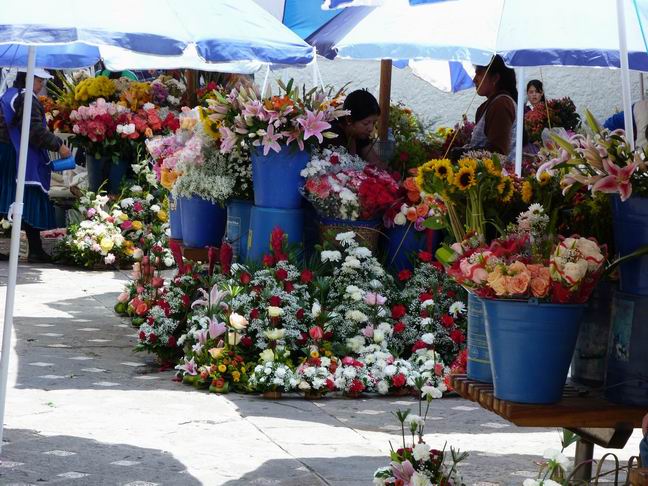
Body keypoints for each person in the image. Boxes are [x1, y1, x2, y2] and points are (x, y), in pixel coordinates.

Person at [0, 69, 71, 263]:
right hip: (17, 155)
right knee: (28, 196)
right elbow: (35, 130)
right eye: (40, 82)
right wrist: (59, 145)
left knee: (5, 197)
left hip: (5, 151)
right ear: (31, 79)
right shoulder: (26, 98)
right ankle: (36, 250)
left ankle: (35, 249)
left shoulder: (10, 93)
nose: (41, 87)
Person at [466, 55, 518, 159]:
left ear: (495, 78)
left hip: (498, 173)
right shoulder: (489, 105)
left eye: (479, 73)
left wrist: (464, 153)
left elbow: (498, 152)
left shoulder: (501, 104)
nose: (474, 79)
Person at [323, 89, 384, 166]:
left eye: (374, 123)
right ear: (349, 119)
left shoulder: (360, 135)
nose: (371, 128)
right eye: (366, 123)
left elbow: (375, 162)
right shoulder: (333, 136)